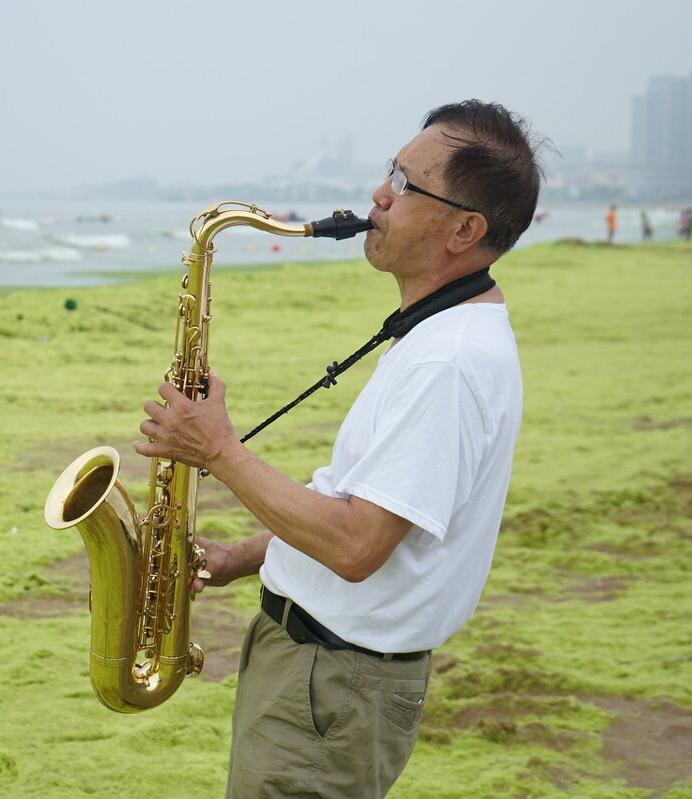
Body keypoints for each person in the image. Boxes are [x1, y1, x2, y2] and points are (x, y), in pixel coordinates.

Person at [135, 99, 544, 797]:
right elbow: (363, 501)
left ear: (464, 229)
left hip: (332, 685)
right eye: (391, 171)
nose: (379, 196)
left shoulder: (449, 362)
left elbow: (359, 545)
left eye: (407, 185)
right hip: (320, 675)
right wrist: (244, 556)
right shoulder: (440, 337)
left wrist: (220, 451)